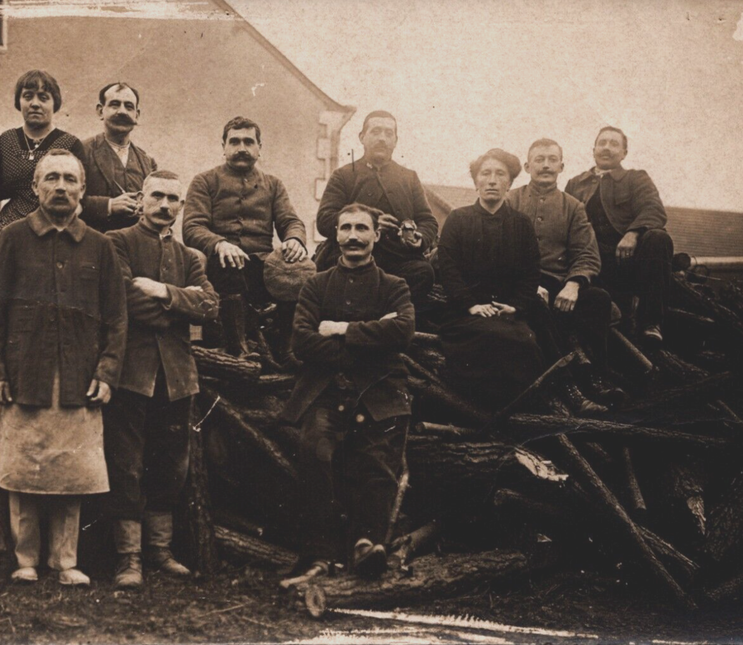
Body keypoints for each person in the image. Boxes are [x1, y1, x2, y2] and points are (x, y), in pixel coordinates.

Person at [0, 149, 127, 586]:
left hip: (80, 378)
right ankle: (25, 560)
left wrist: (107, 371)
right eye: (52, 179)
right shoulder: (13, 238)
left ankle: (65, 562)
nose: (61, 187)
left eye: (69, 180)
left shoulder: (100, 244)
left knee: (72, 473)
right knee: (23, 471)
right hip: (25, 376)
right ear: (35, 188)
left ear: (83, 190)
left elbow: (116, 317)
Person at [282, 203, 415, 580]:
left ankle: (366, 544)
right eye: (345, 228)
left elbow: (402, 332)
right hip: (325, 389)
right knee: (315, 450)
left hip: (380, 390)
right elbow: (303, 344)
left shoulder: (394, 286)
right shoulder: (316, 284)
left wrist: (341, 329)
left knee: (377, 457)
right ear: (335, 234)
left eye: (362, 228)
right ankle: (319, 554)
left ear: (376, 235)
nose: (353, 236)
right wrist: (373, 334)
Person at [103, 170, 219, 587]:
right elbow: (123, 298)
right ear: (141, 199)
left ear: (182, 207)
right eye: (157, 197)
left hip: (177, 375)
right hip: (131, 371)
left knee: (170, 465)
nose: (165, 205)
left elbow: (209, 307)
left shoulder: (190, 258)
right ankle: (128, 558)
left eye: (173, 198)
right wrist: (175, 304)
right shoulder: (116, 242)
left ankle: (160, 552)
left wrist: (162, 291)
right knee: (126, 463)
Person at [507, 139, 619, 410]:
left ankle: (596, 379)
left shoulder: (573, 207)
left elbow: (587, 252)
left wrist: (574, 284)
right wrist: (527, 284)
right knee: (534, 308)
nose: (545, 165)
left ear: (561, 166)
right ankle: (570, 386)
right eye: (539, 159)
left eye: (552, 159)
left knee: (598, 300)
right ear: (527, 166)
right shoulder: (510, 201)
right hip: (517, 284)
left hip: (558, 284)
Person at [183, 116, 307, 358]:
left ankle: (288, 349)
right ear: (223, 147)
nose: (242, 148)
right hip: (220, 266)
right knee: (230, 266)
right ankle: (238, 349)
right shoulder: (204, 181)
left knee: (301, 270)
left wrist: (294, 239)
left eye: (249, 142)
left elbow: (290, 221)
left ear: (259, 148)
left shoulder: (273, 185)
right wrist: (219, 243)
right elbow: (192, 227)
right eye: (235, 142)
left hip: (263, 265)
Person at [0, 70, 87, 318]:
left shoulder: (70, 144)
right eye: (28, 96)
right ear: (18, 102)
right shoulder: (4, 142)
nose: (34, 103)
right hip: (10, 220)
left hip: (54, 221)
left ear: (55, 104)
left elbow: (79, 201)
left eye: (43, 97)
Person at [437, 149, 543, 411]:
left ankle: (518, 410)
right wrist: (470, 304)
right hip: (464, 314)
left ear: (509, 183)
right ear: (476, 182)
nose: (492, 180)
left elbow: (532, 272)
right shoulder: (458, 219)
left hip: (507, 312)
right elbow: (448, 269)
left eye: (500, 174)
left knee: (526, 339)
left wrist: (516, 306)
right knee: (509, 340)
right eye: (485, 173)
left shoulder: (521, 224)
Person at [314, 110, 438, 305]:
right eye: (376, 131)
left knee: (423, 273)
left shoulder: (409, 177)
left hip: (398, 261)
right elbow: (324, 220)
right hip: (351, 256)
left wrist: (418, 238)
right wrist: (369, 222)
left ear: (396, 141)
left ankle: (393, 321)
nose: (382, 138)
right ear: (362, 137)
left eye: (389, 133)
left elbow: (427, 220)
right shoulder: (344, 175)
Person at [564, 126, 673, 343]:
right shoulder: (576, 183)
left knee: (658, 238)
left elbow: (653, 209)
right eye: (602, 143)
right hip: (590, 259)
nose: (607, 148)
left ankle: (651, 323)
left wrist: (633, 233)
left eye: (614, 144)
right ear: (593, 149)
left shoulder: (636, 179)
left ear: (624, 153)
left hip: (627, 259)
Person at [80, 82, 158, 232]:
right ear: (100, 111)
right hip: (93, 242)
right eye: (115, 105)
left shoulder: (147, 161)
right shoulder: (81, 151)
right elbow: (67, 199)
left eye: (129, 107)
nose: (122, 112)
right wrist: (109, 205)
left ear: (137, 115)